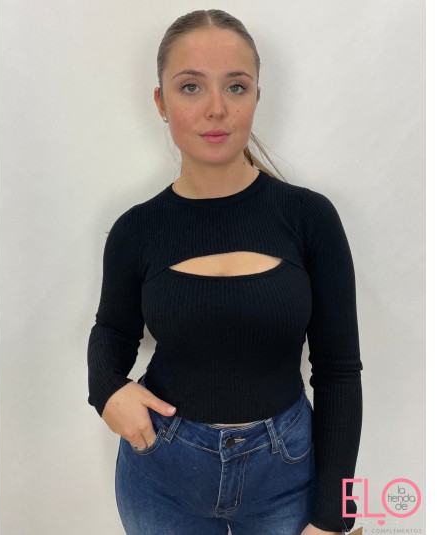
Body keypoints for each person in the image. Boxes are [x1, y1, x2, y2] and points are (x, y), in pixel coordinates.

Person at [87, 9, 363, 535]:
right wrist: (105, 390)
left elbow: (339, 371)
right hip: (161, 471)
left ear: (257, 96)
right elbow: (113, 331)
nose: (216, 108)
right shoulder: (135, 229)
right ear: (161, 102)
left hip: (289, 474)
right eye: (190, 87)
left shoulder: (310, 218)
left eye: (236, 86)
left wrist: (338, 515)